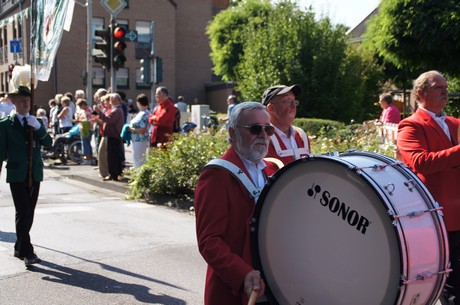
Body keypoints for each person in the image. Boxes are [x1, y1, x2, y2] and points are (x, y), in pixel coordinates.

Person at [195, 102, 280, 305]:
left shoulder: (272, 170)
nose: (263, 135)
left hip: (272, 286)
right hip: (235, 292)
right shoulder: (216, 175)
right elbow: (209, 241)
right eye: (254, 128)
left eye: (267, 129)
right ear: (233, 133)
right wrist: (243, 274)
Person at [397, 70, 460, 304]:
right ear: (420, 93)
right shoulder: (410, 125)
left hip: (457, 212)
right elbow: (420, 162)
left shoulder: (454, 123)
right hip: (439, 215)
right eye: (438, 87)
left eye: (445, 86)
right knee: (451, 284)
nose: (445, 90)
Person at [0, 65, 52, 267]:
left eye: (28, 100)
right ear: (13, 102)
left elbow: (48, 144)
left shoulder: (36, 121)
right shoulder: (5, 125)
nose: (25, 103)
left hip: (34, 172)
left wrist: (39, 129)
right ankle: (27, 252)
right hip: (16, 172)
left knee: (29, 211)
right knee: (23, 211)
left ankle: (18, 247)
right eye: (21, 100)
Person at [262, 84, 310, 166]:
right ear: (271, 108)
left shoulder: (301, 136)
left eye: (294, 101)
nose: (293, 106)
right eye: (287, 101)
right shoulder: (261, 137)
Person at [96, 93, 124, 181]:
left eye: (111, 99)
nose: (109, 101)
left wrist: (99, 112)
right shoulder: (117, 110)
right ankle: (116, 174)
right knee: (114, 156)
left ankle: (113, 174)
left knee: (112, 156)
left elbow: (109, 120)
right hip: (113, 135)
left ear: (115, 100)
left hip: (113, 135)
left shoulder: (116, 110)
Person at [129, 94, 151, 168]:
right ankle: (138, 174)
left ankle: (140, 175)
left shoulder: (145, 114)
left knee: (139, 158)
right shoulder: (142, 113)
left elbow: (143, 129)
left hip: (140, 139)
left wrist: (132, 129)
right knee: (137, 157)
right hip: (137, 139)